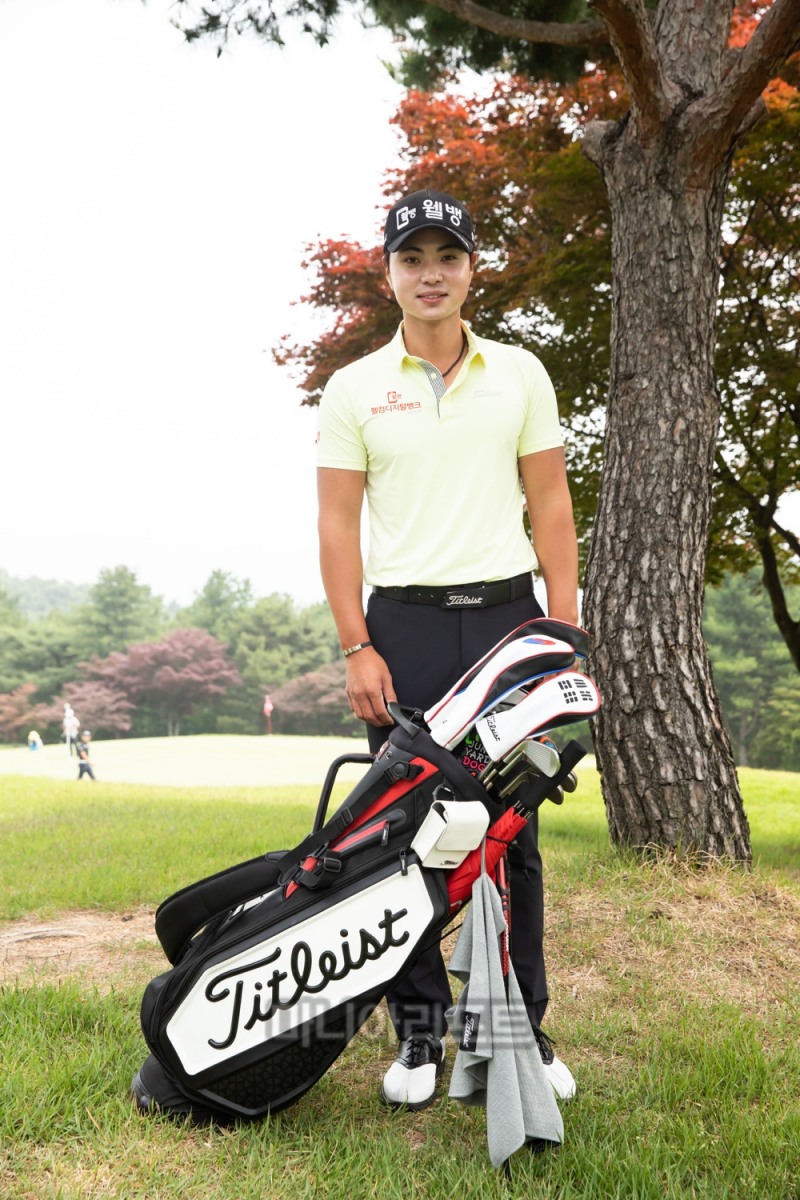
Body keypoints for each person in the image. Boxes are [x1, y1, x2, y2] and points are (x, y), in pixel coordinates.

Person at [316, 187, 580, 1113]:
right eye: (412, 258)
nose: (431, 274)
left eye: (448, 257)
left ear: (473, 269)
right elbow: (338, 526)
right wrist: (356, 644)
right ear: (388, 273)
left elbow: (550, 504)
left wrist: (563, 631)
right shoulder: (353, 388)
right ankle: (422, 1033)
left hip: (508, 622)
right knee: (405, 836)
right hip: (407, 628)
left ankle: (518, 1029)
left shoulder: (521, 374)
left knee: (515, 834)